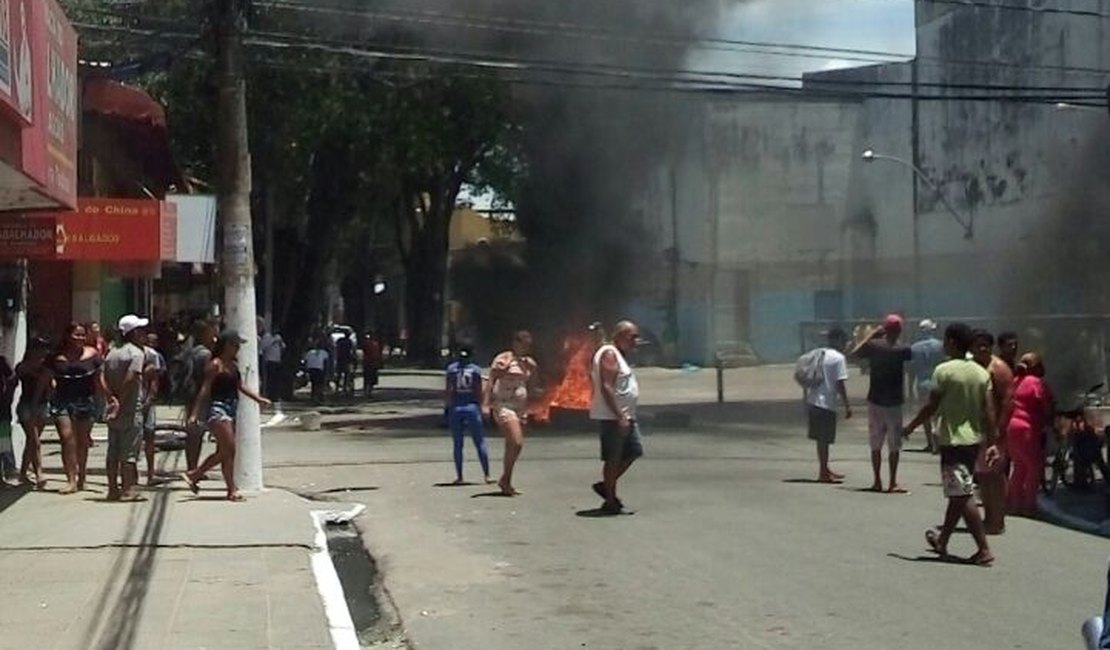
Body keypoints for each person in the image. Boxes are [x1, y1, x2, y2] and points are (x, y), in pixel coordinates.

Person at [905, 322, 998, 566]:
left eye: (946, 340)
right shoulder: (981, 372)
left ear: (953, 343)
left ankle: (984, 548)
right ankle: (943, 540)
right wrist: (992, 442)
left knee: (963, 493)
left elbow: (931, 406)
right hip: (973, 441)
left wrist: (911, 426)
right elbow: (989, 411)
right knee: (958, 492)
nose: (943, 345)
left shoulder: (944, 371)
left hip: (952, 440)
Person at [182, 330, 271, 501]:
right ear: (226, 345)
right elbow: (205, 389)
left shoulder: (233, 365)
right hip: (218, 409)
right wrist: (194, 413)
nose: (238, 348)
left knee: (226, 452)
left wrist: (258, 399)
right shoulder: (215, 364)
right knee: (229, 448)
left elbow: (240, 386)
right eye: (235, 345)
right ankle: (195, 474)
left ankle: (231, 490)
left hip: (232, 408)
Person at [850, 314, 912, 493]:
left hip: (875, 400)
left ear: (884, 329)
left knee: (875, 444)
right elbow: (909, 355)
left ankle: (877, 480)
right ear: (899, 330)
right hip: (894, 402)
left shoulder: (874, 346)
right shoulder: (902, 349)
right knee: (894, 446)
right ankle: (892, 482)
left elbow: (854, 355)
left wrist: (871, 335)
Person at [589, 321, 644, 514]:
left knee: (634, 451)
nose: (635, 341)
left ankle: (606, 486)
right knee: (613, 458)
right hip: (614, 417)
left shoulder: (618, 355)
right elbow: (607, 386)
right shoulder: (610, 354)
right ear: (619, 335)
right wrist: (619, 415)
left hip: (626, 415)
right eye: (632, 337)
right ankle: (610, 500)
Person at [49, 322, 108, 494]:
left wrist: (109, 398)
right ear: (68, 336)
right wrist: (46, 392)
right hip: (62, 401)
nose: (80, 338)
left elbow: (99, 380)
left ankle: (82, 477)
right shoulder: (56, 357)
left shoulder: (93, 355)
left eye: (83, 334)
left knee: (82, 441)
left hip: (85, 400)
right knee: (67, 438)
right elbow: (46, 377)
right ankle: (71, 480)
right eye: (77, 334)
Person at [484, 330, 538, 496]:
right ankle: (505, 478)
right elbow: (491, 379)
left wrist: (533, 370)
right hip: (503, 404)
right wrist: (485, 404)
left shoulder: (528, 363)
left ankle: (506, 480)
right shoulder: (504, 359)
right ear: (515, 343)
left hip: (519, 407)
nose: (526, 348)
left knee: (512, 445)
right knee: (516, 441)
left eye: (529, 345)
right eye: (524, 344)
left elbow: (532, 384)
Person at [972, 329, 1014, 535]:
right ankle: (989, 517)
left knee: (995, 476)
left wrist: (998, 431)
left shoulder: (999, 369)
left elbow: (1008, 402)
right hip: (977, 430)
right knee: (983, 476)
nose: (982, 349)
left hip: (995, 432)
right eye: (978, 345)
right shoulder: (974, 366)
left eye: (985, 345)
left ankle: (997, 520)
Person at [103, 315, 149, 501]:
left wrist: (111, 399)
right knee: (129, 453)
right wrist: (120, 402)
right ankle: (128, 489)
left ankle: (113, 488)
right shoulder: (136, 354)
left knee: (113, 451)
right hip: (129, 410)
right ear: (134, 333)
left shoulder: (111, 352)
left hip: (113, 410)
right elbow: (131, 378)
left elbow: (101, 378)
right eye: (141, 330)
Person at [1007, 352, 1053, 517]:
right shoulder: (1036, 383)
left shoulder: (1014, 381)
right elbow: (1047, 406)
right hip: (1027, 427)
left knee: (1019, 466)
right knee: (1035, 467)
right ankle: (1029, 505)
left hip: (1012, 427)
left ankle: (1014, 504)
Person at [804, 328, 852, 483]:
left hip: (813, 401)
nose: (845, 345)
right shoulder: (838, 358)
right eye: (844, 341)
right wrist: (847, 405)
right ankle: (823, 472)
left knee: (821, 440)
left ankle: (825, 468)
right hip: (826, 403)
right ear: (838, 340)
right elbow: (840, 383)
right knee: (825, 439)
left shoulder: (819, 353)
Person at [445, 347, 491, 485]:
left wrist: (447, 406)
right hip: (471, 407)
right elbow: (479, 390)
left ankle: (460, 476)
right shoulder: (476, 370)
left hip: (456, 407)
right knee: (479, 441)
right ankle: (487, 474)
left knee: (458, 444)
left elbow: (449, 390)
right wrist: (482, 405)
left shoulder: (452, 369)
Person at [16, 337, 51, 488]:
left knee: (32, 442)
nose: (43, 351)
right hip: (27, 405)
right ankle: (39, 474)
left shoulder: (46, 366)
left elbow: (49, 385)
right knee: (34, 440)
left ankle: (23, 473)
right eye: (40, 348)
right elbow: (21, 372)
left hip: (41, 405)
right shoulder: (24, 366)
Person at [181, 321, 216, 471]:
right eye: (211, 332)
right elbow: (207, 378)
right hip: (200, 396)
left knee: (192, 434)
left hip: (189, 394)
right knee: (197, 434)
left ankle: (191, 466)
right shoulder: (205, 354)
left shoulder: (190, 351)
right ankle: (194, 469)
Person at [910, 319, 944, 454]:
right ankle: (938, 440)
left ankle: (930, 442)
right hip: (937, 381)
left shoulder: (914, 347)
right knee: (938, 413)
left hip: (921, 382)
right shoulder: (940, 345)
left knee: (925, 414)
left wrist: (910, 387)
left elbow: (911, 368)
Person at [142, 332, 167, 486]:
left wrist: (150, 398)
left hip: (146, 402)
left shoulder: (152, 355)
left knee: (149, 435)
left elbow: (156, 379)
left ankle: (151, 473)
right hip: (129, 401)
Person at [0, 356, 16, 485]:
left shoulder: (1, 361)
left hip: (2, 411)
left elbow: (12, 379)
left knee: (3, 441)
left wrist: (7, 398)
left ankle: (7, 470)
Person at [260, 328, 286, 400]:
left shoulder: (278, 336)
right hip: (269, 361)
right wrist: (274, 340)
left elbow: (283, 347)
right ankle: (268, 395)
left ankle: (275, 396)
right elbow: (263, 347)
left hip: (277, 361)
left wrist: (280, 342)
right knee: (269, 380)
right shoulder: (267, 336)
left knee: (276, 380)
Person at [304, 340, 329, 404]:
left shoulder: (309, 352)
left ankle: (313, 397)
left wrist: (306, 370)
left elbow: (306, 361)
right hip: (319, 369)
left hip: (311, 369)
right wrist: (326, 372)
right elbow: (325, 363)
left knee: (314, 384)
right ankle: (318, 397)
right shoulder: (324, 353)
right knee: (319, 384)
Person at [361, 331, 383, 399]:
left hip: (369, 363)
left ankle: (367, 392)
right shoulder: (374, 344)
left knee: (368, 378)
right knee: (370, 379)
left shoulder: (373, 344)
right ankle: (368, 392)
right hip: (372, 363)